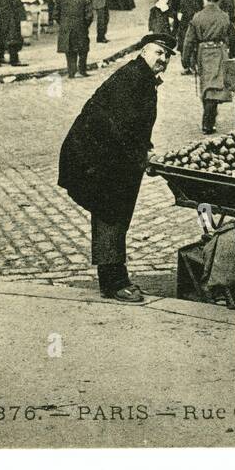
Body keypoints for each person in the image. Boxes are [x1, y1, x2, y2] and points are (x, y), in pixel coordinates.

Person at [58, 34, 175, 302]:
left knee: (116, 214)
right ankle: (113, 283)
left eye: (167, 55)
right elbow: (117, 126)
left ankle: (115, 276)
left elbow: (134, 123)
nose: (163, 59)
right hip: (96, 158)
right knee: (110, 213)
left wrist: (144, 148)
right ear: (144, 51)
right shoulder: (133, 77)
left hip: (111, 155)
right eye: (159, 52)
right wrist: (141, 156)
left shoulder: (141, 76)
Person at [182, 0, 235, 133]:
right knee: (215, 86)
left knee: (207, 86)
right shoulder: (224, 16)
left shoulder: (197, 17)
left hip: (203, 54)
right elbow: (233, 38)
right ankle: (209, 120)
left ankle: (208, 120)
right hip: (219, 52)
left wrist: (185, 60)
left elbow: (189, 40)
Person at [54, 0, 94, 77]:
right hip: (80, 26)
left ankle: (71, 71)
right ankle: (82, 70)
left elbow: (56, 14)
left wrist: (62, 23)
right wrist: (86, 25)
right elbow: (89, 15)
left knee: (69, 49)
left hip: (66, 27)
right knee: (83, 49)